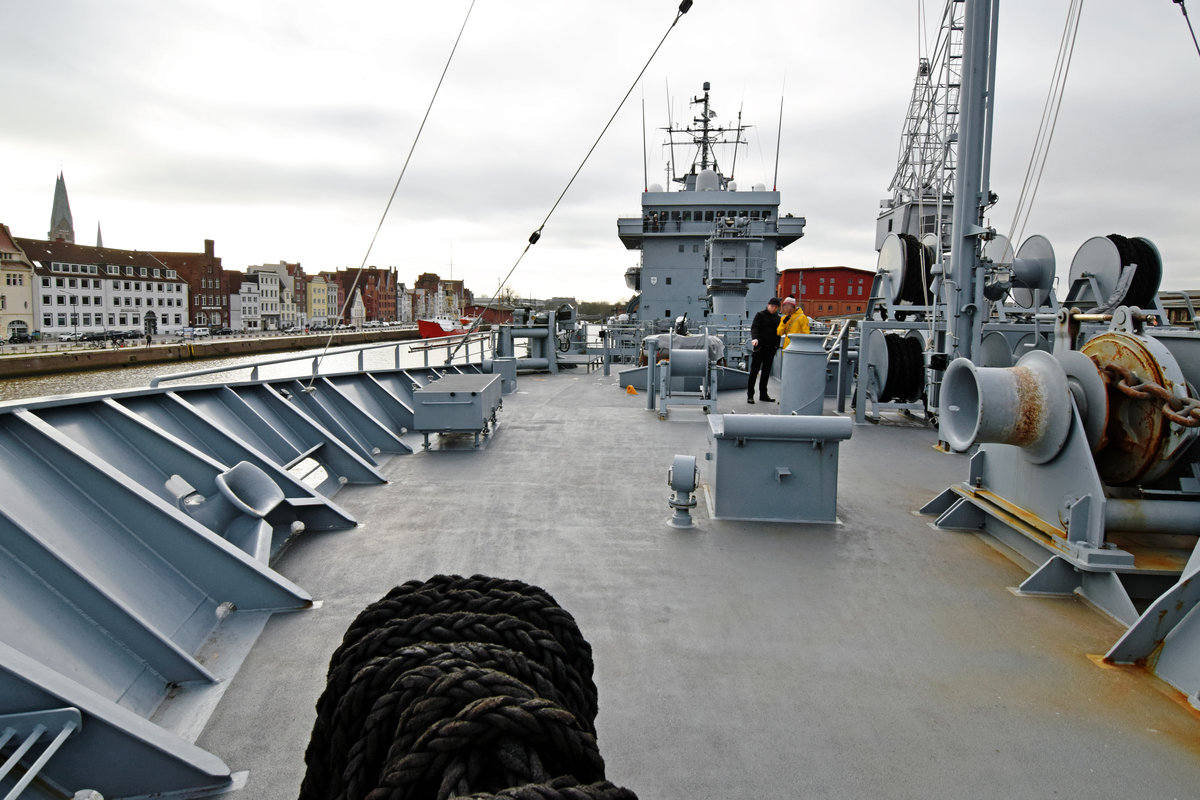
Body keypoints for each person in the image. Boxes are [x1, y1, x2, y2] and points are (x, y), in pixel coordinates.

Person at [747, 296, 782, 403]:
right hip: (760, 347)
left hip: (771, 349)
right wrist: (755, 338)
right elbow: (755, 327)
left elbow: (779, 333)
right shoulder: (760, 315)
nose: (773, 308)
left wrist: (776, 346)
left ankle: (763, 394)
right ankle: (750, 395)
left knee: (766, 373)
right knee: (754, 372)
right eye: (772, 306)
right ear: (768, 305)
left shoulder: (778, 318)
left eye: (776, 307)